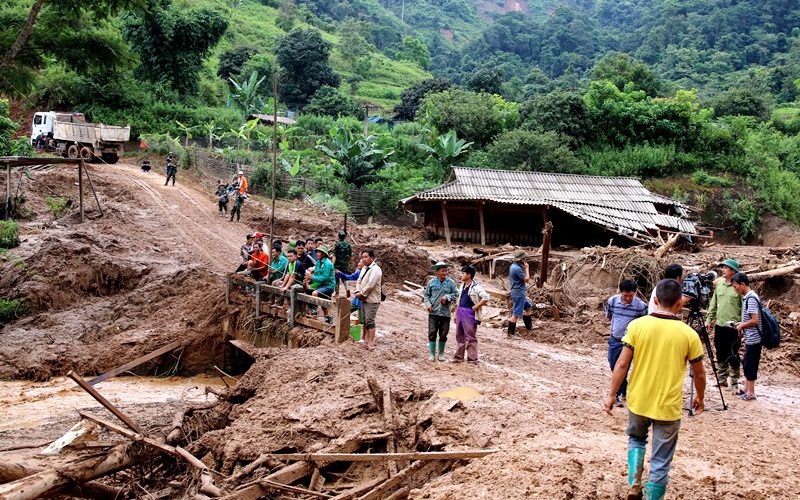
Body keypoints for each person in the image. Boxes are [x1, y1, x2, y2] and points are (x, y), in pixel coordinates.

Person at [605, 279, 705, 500]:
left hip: (638, 399)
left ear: (656, 300)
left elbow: (622, 363)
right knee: (661, 459)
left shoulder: (637, 326)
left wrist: (612, 393)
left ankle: (634, 483)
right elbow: (699, 373)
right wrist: (700, 396)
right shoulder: (689, 334)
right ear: (680, 304)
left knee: (636, 439)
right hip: (668, 406)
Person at [606, 279, 648, 407]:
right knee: (614, 365)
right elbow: (609, 316)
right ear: (620, 292)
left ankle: (618, 394)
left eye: (631, 296)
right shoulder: (612, 302)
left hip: (630, 342)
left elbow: (644, 323)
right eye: (625, 296)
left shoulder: (640, 306)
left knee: (623, 365)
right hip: (615, 339)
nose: (628, 298)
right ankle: (624, 388)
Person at [705, 258, 743, 391]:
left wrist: (742, 325)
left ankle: (734, 382)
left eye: (726, 268)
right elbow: (714, 303)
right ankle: (721, 380)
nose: (723, 270)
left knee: (733, 354)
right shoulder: (720, 284)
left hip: (733, 327)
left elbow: (744, 307)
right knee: (720, 352)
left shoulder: (739, 286)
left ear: (733, 271)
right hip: (720, 325)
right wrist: (709, 319)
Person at [732, 272, 762, 401]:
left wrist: (742, 326)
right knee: (747, 362)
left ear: (742, 284)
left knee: (750, 363)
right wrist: (742, 324)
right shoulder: (748, 297)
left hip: (755, 338)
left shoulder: (750, 298)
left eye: (735, 286)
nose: (735, 289)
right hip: (751, 337)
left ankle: (751, 392)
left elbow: (755, 320)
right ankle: (746, 388)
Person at [453, 265, 490, 364]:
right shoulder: (462, 286)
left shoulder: (476, 287)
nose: (461, 275)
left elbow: (486, 297)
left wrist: (476, 306)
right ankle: (458, 356)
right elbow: (459, 301)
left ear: (469, 275)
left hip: (469, 312)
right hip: (461, 311)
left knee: (470, 336)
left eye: (463, 273)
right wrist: (456, 314)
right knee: (459, 335)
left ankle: (472, 358)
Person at [423, 262, 459, 362]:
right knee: (432, 332)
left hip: (445, 313)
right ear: (437, 272)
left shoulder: (451, 283)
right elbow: (426, 296)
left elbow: (456, 293)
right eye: (442, 271)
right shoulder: (431, 282)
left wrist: (447, 297)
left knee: (443, 334)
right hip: (433, 312)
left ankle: (441, 354)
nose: (445, 272)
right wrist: (428, 305)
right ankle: (432, 354)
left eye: (446, 270)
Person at [355, 248, 382, 349]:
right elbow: (359, 280)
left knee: (370, 320)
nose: (364, 259)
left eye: (366, 257)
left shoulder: (376, 269)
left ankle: (371, 342)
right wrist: (358, 291)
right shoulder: (364, 268)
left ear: (372, 258)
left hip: (372, 299)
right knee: (365, 320)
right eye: (362, 257)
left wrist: (361, 294)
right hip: (363, 298)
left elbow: (371, 285)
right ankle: (365, 339)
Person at [306, 245, 336, 323]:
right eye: (317, 252)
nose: (317, 254)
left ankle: (314, 310)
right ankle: (328, 319)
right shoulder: (318, 262)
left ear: (323, 254)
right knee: (324, 304)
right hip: (321, 285)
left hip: (328, 285)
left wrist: (312, 277)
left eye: (319, 252)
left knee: (315, 293)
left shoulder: (327, 264)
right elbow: (316, 271)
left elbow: (324, 278)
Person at [507, 251, 533, 338]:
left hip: (519, 292)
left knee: (528, 308)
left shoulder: (514, 266)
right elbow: (527, 279)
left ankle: (529, 327)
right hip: (518, 293)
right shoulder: (517, 268)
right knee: (516, 314)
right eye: (524, 259)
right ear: (520, 259)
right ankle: (510, 333)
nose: (525, 260)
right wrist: (526, 268)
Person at [332, 231, 353, 296]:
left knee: (336, 278)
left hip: (337, 265)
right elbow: (350, 256)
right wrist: (348, 263)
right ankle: (347, 288)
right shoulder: (349, 245)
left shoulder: (337, 244)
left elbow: (334, 255)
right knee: (344, 277)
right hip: (345, 265)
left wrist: (332, 264)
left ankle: (337, 292)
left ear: (338, 236)